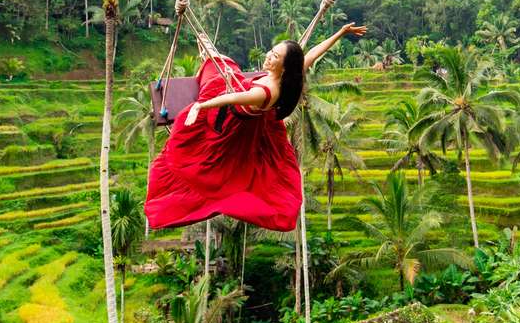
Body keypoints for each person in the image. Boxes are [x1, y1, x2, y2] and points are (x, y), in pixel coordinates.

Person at [145, 23, 367, 232]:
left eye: (275, 57)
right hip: (237, 93)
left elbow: (231, 98)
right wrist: (341, 33)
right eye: (272, 51)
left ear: (284, 67)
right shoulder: (288, 75)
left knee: (185, 157)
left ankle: (210, 52)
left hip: (228, 123)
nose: (269, 56)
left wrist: (200, 106)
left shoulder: (266, 92)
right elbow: (313, 53)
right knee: (224, 64)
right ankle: (209, 51)